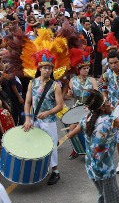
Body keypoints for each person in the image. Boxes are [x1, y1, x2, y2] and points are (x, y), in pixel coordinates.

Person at [67, 90, 119, 203]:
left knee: (102, 196)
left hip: (91, 167)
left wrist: (66, 135)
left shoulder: (86, 119)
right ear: (101, 108)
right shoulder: (109, 121)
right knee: (112, 199)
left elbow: (71, 133)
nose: (109, 103)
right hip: (104, 169)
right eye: (106, 101)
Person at [22, 51, 64, 185]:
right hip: (35, 120)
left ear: (52, 69)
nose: (47, 70)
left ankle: (55, 171)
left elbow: (60, 106)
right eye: (44, 68)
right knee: (36, 144)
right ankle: (40, 170)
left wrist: (48, 112)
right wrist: (27, 119)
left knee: (51, 145)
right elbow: (27, 103)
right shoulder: (32, 83)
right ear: (39, 68)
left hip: (49, 122)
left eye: (49, 68)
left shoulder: (55, 86)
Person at [67, 48, 98, 159]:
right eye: (84, 68)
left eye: (88, 68)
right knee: (72, 128)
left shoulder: (92, 80)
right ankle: (76, 149)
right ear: (78, 69)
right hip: (76, 108)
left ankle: (91, 149)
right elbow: (69, 96)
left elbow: (97, 94)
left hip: (89, 108)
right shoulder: (73, 80)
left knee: (89, 128)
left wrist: (92, 97)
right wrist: (69, 92)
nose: (86, 70)